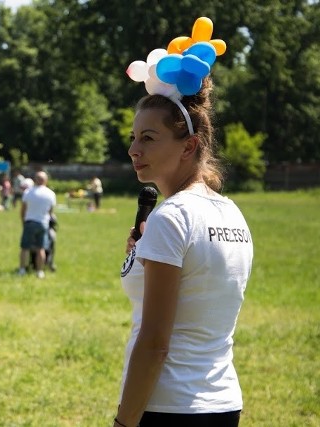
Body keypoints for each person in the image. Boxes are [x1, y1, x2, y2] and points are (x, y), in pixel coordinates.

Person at [115, 20, 253, 427]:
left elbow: (156, 344)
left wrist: (124, 422)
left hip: (170, 407)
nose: (133, 149)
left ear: (189, 145)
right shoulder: (232, 213)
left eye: (149, 139)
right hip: (224, 403)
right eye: (134, 136)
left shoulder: (172, 218)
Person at [17, 171, 56, 279]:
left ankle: (22, 269)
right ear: (46, 180)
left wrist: (23, 222)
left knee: (25, 248)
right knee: (41, 248)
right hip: (43, 223)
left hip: (29, 222)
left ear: (35, 180)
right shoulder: (51, 194)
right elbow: (51, 212)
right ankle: (39, 271)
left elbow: (23, 210)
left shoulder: (28, 192)